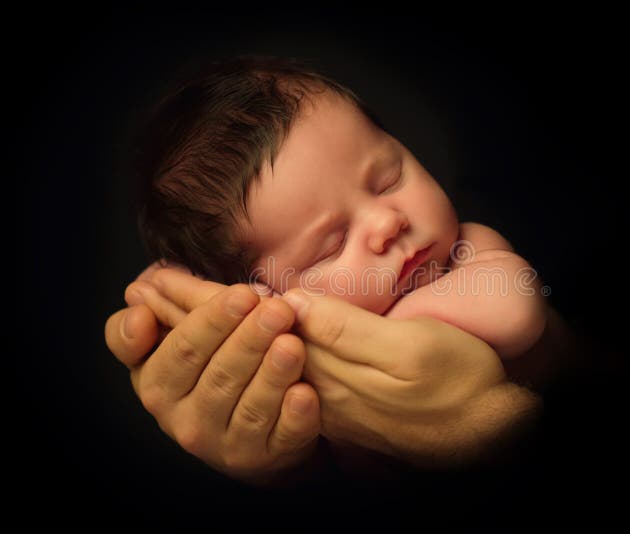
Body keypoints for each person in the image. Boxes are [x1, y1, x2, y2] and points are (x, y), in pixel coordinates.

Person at [106, 54, 576, 484]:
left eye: (388, 178)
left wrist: (316, 324)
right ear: (259, 288)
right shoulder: (294, 362)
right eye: (330, 247)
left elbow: (517, 317)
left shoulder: (468, 253)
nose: (387, 223)